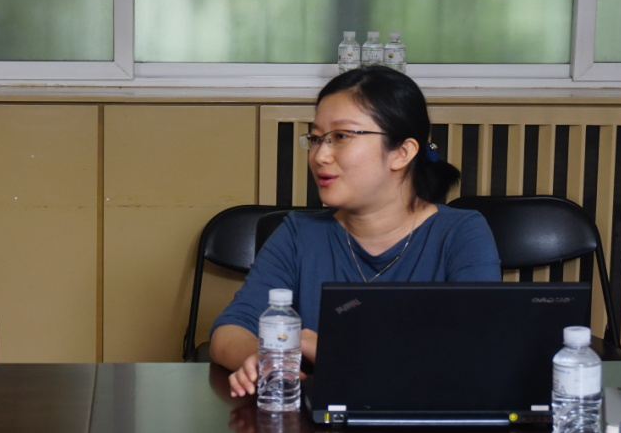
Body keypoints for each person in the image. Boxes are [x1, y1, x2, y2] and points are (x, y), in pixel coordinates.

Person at [210, 65, 500, 396]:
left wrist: (330, 349)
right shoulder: (299, 233)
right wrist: (263, 358)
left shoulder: (461, 233)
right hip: (314, 420)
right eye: (316, 138)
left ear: (402, 152)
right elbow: (230, 330)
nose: (320, 155)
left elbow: (477, 349)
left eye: (341, 136)